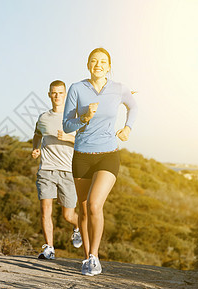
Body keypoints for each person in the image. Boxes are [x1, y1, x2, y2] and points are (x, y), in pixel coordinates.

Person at [63, 48, 138, 276]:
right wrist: (83, 118)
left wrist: (127, 127)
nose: (98, 64)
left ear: (109, 66)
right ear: (88, 65)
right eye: (94, 61)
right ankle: (86, 258)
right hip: (82, 156)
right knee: (84, 211)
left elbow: (133, 106)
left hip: (108, 154)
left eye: (103, 61)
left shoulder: (118, 89)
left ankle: (95, 257)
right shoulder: (77, 88)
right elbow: (67, 125)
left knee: (95, 204)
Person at [32, 80, 82, 260]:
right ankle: (49, 248)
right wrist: (36, 148)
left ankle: (77, 228)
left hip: (68, 171)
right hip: (46, 169)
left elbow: (84, 144)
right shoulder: (43, 117)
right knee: (45, 210)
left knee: (68, 215)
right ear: (49, 95)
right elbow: (37, 134)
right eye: (54, 93)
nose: (57, 96)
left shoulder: (74, 118)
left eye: (60, 93)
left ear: (66, 95)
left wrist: (68, 138)